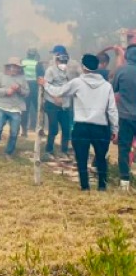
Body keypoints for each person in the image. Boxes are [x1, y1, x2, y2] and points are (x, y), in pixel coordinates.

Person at [41, 54, 118, 191]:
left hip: (81, 126)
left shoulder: (77, 83)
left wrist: (44, 84)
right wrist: (114, 130)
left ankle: (85, 186)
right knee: (101, 158)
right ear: (97, 67)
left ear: (83, 67)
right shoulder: (107, 86)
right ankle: (102, 186)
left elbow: (58, 92)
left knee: (81, 158)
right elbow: (112, 110)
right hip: (101, 127)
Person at [0, 57, 29, 157]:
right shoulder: (0, 76)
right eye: (13, 67)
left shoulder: (22, 78)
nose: (15, 69)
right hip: (2, 107)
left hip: (16, 109)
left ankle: (8, 152)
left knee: (14, 132)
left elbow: (27, 93)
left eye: (17, 67)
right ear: (9, 67)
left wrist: (19, 90)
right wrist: (6, 91)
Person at [113, 44, 136, 191]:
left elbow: (114, 89)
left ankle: (124, 183)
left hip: (125, 116)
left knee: (124, 148)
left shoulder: (121, 71)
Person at [43, 51, 72, 160]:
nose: (63, 62)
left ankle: (63, 151)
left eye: (65, 61)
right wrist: (55, 97)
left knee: (66, 129)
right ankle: (48, 150)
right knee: (53, 127)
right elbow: (46, 85)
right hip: (52, 103)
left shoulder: (67, 71)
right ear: (56, 60)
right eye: (61, 60)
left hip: (65, 104)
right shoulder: (50, 71)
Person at [21, 48, 45, 137]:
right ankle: (40, 129)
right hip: (35, 88)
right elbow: (42, 75)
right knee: (39, 109)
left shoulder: (22, 62)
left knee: (24, 110)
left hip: (24, 87)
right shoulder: (37, 64)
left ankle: (24, 131)